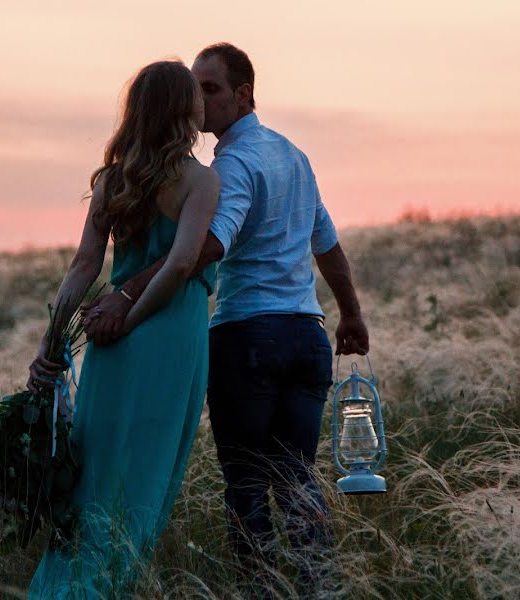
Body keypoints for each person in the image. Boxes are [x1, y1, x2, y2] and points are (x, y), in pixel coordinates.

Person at [82, 43, 369, 595]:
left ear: (244, 95)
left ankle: (261, 590)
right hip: (306, 337)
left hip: (248, 337)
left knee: (245, 484)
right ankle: (319, 587)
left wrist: (125, 292)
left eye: (210, 89)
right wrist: (350, 313)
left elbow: (208, 246)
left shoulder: (231, 165)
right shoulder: (293, 155)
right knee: (297, 476)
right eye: (194, 89)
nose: (198, 100)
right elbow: (326, 245)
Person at [25, 60, 220, 598]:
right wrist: (130, 318)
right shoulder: (201, 181)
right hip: (171, 333)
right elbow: (182, 265)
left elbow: (84, 266)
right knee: (147, 479)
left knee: (95, 476)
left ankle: (62, 589)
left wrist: (53, 340)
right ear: (185, 111)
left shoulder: (114, 180)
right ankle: (105, 588)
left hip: (111, 345)